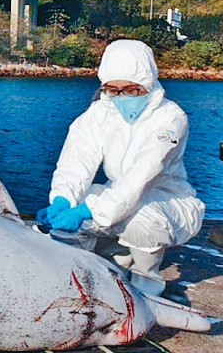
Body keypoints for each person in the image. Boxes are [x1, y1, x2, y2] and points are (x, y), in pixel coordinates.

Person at [35, 39, 204, 296]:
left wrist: (87, 210)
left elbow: (140, 176)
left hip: (166, 200)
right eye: (112, 90)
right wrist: (62, 198)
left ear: (146, 83)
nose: (120, 97)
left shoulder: (170, 118)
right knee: (78, 205)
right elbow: (76, 161)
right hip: (121, 195)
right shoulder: (101, 112)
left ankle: (145, 286)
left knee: (142, 220)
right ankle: (111, 262)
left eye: (131, 90)